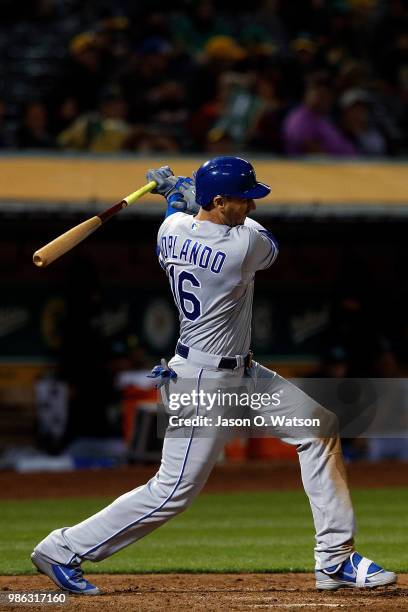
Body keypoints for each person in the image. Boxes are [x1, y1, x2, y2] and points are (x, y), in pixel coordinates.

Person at [30, 156, 396, 595]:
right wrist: (181, 195)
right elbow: (264, 242)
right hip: (202, 380)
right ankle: (62, 548)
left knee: (320, 429)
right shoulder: (241, 248)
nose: (253, 207)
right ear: (219, 201)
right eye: (244, 200)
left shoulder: (169, 233)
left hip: (242, 371)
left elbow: (177, 219)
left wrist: (175, 200)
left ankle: (335, 559)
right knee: (172, 491)